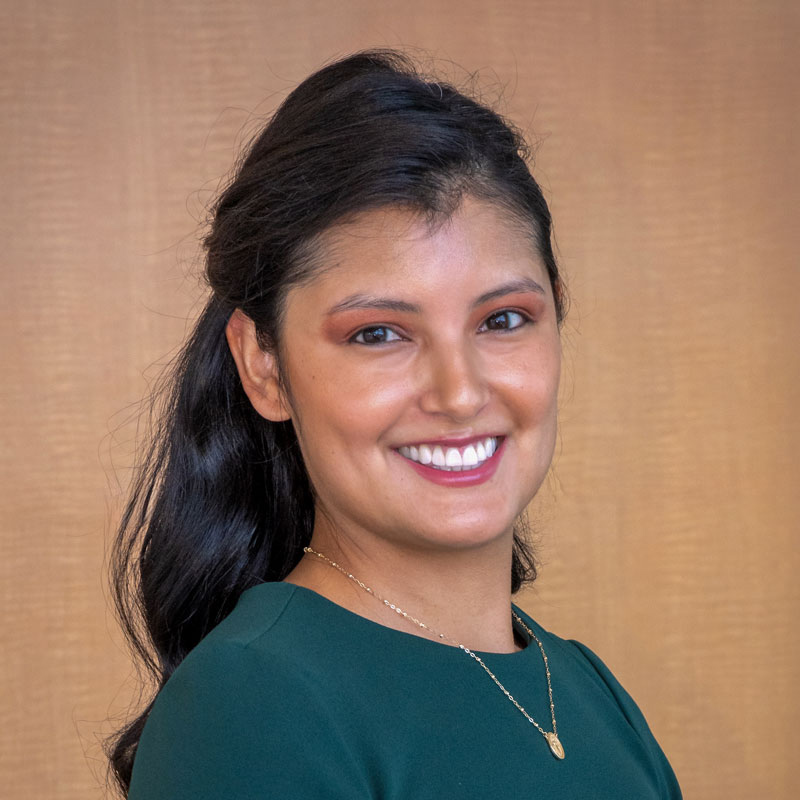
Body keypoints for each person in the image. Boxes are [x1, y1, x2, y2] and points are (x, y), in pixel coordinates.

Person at [108, 49, 682, 798]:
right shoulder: (252, 705)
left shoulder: (584, 688)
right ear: (264, 366)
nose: (459, 391)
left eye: (503, 319)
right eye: (378, 333)